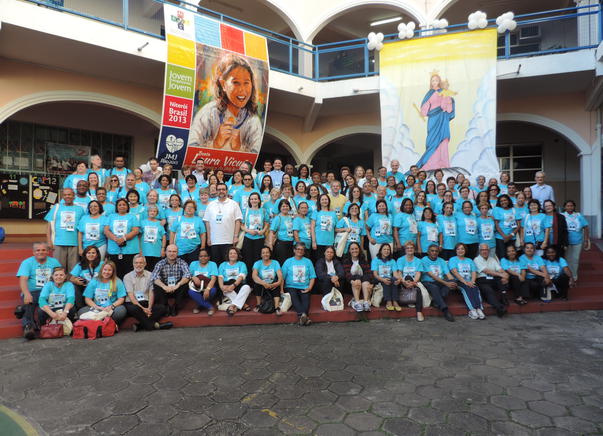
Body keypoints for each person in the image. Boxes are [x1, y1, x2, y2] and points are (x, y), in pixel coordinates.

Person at [188, 53, 263, 153]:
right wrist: (215, 144)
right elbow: (192, 147)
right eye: (235, 82)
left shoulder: (252, 120)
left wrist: (240, 148)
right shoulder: (209, 113)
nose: (242, 90)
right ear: (223, 84)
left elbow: (255, 154)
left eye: (246, 83)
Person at [16, 243, 62, 339]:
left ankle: (44, 326)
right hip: (34, 291)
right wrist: (26, 294)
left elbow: (60, 276)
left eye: (43, 250)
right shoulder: (27, 262)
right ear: (33, 252)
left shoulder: (54, 262)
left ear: (48, 251)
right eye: (38, 250)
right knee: (28, 301)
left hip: (50, 292)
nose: (41, 252)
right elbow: (23, 279)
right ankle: (28, 327)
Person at [124, 255, 171, 331]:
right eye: (136, 263)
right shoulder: (127, 277)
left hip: (146, 302)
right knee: (135, 309)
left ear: (145, 264)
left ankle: (140, 326)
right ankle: (156, 326)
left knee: (162, 308)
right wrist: (143, 309)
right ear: (133, 264)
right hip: (133, 303)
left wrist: (149, 308)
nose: (138, 265)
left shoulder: (150, 275)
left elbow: (151, 292)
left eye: (141, 263)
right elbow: (131, 296)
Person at [45, 188, 85, 273]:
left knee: (73, 270)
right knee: (58, 269)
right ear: (62, 196)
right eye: (65, 195)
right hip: (58, 243)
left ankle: (72, 286)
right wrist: (49, 241)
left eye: (69, 194)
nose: (67, 196)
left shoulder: (80, 209)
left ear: (74, 196)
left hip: (75, 243)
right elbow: (49, 226)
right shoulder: (56, 208)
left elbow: (82, 228)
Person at [203, 183, 243, 263]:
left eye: (223, 189)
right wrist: (209, 238)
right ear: (216, 191)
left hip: (229, 240)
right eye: (219, 189)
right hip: (215, 240)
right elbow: (207, 222)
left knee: (228, 264)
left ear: (227, 191)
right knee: (216, 263)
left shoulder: (234, 204)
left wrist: (235, 236)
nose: (221, 191)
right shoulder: (211, 204)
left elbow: (238, 221)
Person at [79, 260, 127, 325]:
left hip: (111, 308)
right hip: (97, 308)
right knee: (81, 311)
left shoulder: (118, 281)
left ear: (113, 272)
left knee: (121, 310)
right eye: (105, 269)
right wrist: (96, 307)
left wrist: (112, 306)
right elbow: (87, 299)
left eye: (109, 270)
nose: (107, 272)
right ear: (101, 270)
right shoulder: (94, 280)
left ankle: (97, 321)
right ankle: (105, 322)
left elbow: (121, 298)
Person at [104, 198, 140, 279]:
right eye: (119, 205)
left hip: (130, 250)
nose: (122, 206)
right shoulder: (111, 217)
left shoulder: (132, 217)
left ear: (127, 206)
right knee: (116, 272)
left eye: (124, 204)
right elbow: (106, 230)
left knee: (129, 273)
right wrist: (115, 239)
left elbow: (136, 230)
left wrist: (123, 239)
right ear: (116, 207)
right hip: (114, 249)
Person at [282, 242, 316, 326]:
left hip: (304, 286)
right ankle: (304, 316)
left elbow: (312, 277)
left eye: (302, 249)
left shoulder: (308, 262)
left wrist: (309, 288)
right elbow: (282, 277)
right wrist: (281, 289)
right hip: (291, 286)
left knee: (306, 298)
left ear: (304, 252)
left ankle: (302, 318)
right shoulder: (288, 261)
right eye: (298, 249)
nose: (300, 251)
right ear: (294, 250)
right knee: (293, 296)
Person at [449, 243, 485, 320]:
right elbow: (455, 272)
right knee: (467, 288)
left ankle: (479, 309)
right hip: (458, 281)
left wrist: (472, 281)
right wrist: (465, 282)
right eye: (458, 249)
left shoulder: (469, 260)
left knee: (475, 288)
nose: (460, 250)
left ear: (465, 250)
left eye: (462, 249)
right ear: (455, 251)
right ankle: (472, 309)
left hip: (470, 281)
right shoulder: (452, 259)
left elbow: (473, 272)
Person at [421, 244, 456, 322]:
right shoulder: (424, 260)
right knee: (435, 287)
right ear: (428, 252)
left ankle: (436, 302)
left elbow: (448, 275)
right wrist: (446, 283)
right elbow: (432, 275)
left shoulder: (441, 261)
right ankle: (445, 310)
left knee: (452, 282)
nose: (434, 252)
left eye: (436, 251)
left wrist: (453, 282)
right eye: (432, 251)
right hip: (428, 282)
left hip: (440, 282)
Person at [474, 243, 509, 317]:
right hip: (482, 280)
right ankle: (499, 307)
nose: (484, 251)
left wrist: (505, 275)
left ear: (489, 251)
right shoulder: (476, 259)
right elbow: (487, 271)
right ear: (479, 251)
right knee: (488, 290)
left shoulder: (492, 259)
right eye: (482, 250)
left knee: (502, 280)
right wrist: (501, 274)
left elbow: (500, 269)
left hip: (493, 279)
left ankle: (503, 297)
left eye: (486, 250)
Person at [395, 241, 425, 321]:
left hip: (414, 282)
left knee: (417, 289)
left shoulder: (418, 261)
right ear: (405, 250)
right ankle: (409, 300)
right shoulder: (400, 260)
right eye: (407, 248)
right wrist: (403, 281)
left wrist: (413, 282)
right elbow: (399, 272)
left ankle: (419, 312)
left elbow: (418, 273)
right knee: (406, 277)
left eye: (411, 248)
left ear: (414, 249)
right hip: (403, 282)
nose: (409, 249)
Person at [218, 247, 252, 316]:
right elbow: (220, 277)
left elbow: (241, 276)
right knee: (226, 289)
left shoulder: (242, 264)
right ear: (228, 255)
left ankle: (232, 306)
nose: (232, 255)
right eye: (230, 253)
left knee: (247, 287)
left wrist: (234, 285)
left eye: (234, 253)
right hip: (227, 286)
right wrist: (221, 286)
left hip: (238, 285)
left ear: (238, 255)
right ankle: (243, 305)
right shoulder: (222, 265)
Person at [170, 200, 206, 265]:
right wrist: (171, 245)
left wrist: (203, 246)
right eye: (188, 207)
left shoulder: (198, 220)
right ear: (184, 208)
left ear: (195, 209)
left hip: (194, 249)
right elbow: (172, 232)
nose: (189, 209)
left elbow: (202, 233)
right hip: (180, 249)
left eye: (192, 207)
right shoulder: (179, 219)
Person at [562, 200, 590, 281]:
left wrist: (586, 240)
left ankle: (574, 276)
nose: (569, 207)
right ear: (564, 207)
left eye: (571, 206)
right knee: (567, 259)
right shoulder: (562, 215)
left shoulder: (579, 215)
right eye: (567, 206)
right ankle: (567, 276)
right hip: (566, 242)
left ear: (574, 207)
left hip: (577, 241)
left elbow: (586, 227)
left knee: (575, 259)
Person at [241, 192, 269, 273]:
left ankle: (257, 280)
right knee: (248, 259)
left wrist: (263, 231)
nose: (254, 200)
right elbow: (241, 225)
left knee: (259, 259)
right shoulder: (245, 211)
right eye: (252, 199)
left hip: (259, 238)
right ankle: (249, 280)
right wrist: (249, 231)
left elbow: (267, 223)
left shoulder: (263, 211)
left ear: (259, 200)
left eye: (255, 199)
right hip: (248, 238)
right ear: (249, 201)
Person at [252, 246, 283, 315]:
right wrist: (263, 283)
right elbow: (254, 276)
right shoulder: (257, 263)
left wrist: (278, 282)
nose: (265, 254)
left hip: (272, 284)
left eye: (267, 252)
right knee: (257, 284)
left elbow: (280, 275)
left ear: (270, 254)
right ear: (261, 255)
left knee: (276, 284)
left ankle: (277, 307)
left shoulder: (275, 262)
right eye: (263, 253)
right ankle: (258, 304)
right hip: (262, 285)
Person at [70, 245, 102, 310]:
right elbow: (71, 278)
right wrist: (76, 280)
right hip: (84, 287)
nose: (91, 255)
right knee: (73, 285)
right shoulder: (80, 265)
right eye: (88, 253)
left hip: (98, 288)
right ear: (85, 254)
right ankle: (80, 308)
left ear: (97, 254)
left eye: (93, 253)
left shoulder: (102, 264)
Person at [188, 248, 219, 315]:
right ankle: (210, 307)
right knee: (190, 292)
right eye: (201, 256)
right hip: (197, 287)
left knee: (213, 290)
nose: (203, 258)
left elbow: (213, 279)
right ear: (198, 257)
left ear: (209, 257)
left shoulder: (213, 264)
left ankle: (200, 305)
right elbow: (188, 275)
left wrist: (207, 289)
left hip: (208, 286)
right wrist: (193, 277)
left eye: (205, 256)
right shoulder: (193, 264)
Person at [371, 243, 399, 311]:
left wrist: (398, 279)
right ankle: (389, 301)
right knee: (386, 281)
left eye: (388, 249)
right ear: (380, 251)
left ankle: (395, 301)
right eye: (384, 249)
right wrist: (383, 280)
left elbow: (395, 274)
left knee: (393, 280)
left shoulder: (392, 261)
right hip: (378, 279)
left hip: (389, 278)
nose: (386, 251)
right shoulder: (375, 260)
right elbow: (375, 274)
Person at [139, 204, 166, 272]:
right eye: (150, 211)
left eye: (154, 211)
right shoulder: (142, 222)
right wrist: (140, 249)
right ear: (147, 212)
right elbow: (139, 236)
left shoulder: (160, 223)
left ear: (157, 213)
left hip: (156, 251)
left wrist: (163, 249)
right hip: (145, 251)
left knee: (155, 271)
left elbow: (164, 236)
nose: (152, 212)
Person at [269, 199, 295, 266]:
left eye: (287, 206)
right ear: (280, 208)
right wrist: (270, 244)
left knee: (290, 263)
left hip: (291, 243)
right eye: (283, 206)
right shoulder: (278, 218)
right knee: (282, 263)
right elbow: (271, 231)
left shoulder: (291, 218)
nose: (285, 208)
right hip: (281, 243)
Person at [311, 194, 337, 260]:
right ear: (319, 201)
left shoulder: (333, 213)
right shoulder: (316, 212)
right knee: (319, 262)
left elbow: (336, 228)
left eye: (326, 199)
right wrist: (313, 241)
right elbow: (312, 227)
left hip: (330, 242)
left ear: (328, 201)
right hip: (319, 242)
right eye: (322, 199)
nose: (324, 201)